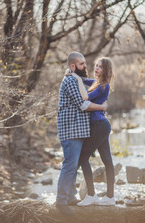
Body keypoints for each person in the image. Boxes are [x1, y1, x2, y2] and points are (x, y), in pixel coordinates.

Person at [56, 52, 108, 215]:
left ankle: (70, 197)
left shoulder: (76, 80)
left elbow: (93, 89)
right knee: (70, 164)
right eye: (81, 64)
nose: (85, 66)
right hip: (71, 129)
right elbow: (83, 104)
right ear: (72, 66)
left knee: (74, 164)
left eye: (85, 63)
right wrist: (101, 107)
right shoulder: (71, 80)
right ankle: (61, 201)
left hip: (78, 129)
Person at [76, 57, 115, 206]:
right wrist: (74, 74)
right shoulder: (96, 83)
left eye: (100, 67)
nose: (96, 68)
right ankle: (109, 197)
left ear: (106, 70)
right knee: (107, 161)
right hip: (101, 126)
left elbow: (85, 98)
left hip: (99, 125)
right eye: (96, 65)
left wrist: (77, 80)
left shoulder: (103, 86)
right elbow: (85, 79)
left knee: (82, 157)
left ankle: (92, 194)